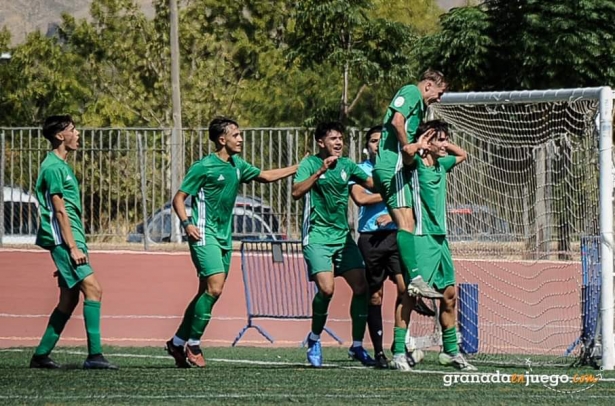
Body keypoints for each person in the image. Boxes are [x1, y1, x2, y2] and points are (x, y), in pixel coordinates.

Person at [165, 117, 299, 368]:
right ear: (221, 139)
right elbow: (179, 199)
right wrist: (187, 224)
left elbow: (266, 176)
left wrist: (298, 167)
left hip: (224, 238)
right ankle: (193, 344)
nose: (241, 138)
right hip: (204, 234)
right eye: (236, 135)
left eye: (240, 134)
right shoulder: (204, 166)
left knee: (205, 292)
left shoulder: (237, 165)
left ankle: (177, 341)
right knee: (215, 288)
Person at [31, 115, 116, 370]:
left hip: (70, 239)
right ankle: (95, 356)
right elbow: (58, 211)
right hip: (66, 240)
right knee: (94, 290)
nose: (77, 134)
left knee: (69, 300)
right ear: (60, 136)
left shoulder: (61, 165)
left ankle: (40, 355)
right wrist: (71, 248)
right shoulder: (53, 167)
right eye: (73, 130)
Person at [292, 121, 375, 368]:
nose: (339, 142)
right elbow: (296, 192)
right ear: (320, 142)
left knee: (362, 287)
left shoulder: (348, 165)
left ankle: (357, 346)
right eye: (333, 139)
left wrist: (391, 166)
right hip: (317, 236)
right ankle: (315, 338)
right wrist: (319, 172)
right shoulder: (309, 164)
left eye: (341, 138)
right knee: (327, 290)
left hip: (343, 237)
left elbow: (372, 185)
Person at [373, 69, 448, 299]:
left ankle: (411, 282)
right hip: (392, 167)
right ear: (427, 86)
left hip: (393, 168)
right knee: (407, 223)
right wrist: (408, 146)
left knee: (407, 222)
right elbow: (397, 121)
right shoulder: (411, 93)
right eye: (439, 92)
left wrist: (417, 146)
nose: (439, 98)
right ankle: (414, 280)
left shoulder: (422, 107)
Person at [412, 119, 476, 371]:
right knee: (411, 295)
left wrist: (444, 143)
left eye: (446, 138)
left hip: (441, 239)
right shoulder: (416, 165)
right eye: (440, 139)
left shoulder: (442, 164)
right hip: (422, 237)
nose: (445, 144)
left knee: (449, 296)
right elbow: (407, 155)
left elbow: (463, 154)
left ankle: (451, 352)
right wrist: (421, 144)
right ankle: (402, 347)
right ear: (427, 141)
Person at [349, 125, 404, 369]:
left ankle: (400, 346)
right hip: (370, 239)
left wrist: (393, 217)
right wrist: (390, 193)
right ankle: (379, 352)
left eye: (381, 141)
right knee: (374, 295)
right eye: (373, 141)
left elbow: (409, 200)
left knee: (406, 288)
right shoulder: (360, 169)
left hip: (395, 235)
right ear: (367, 146)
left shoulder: (399, 168)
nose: (377, 145)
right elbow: (360, 197)